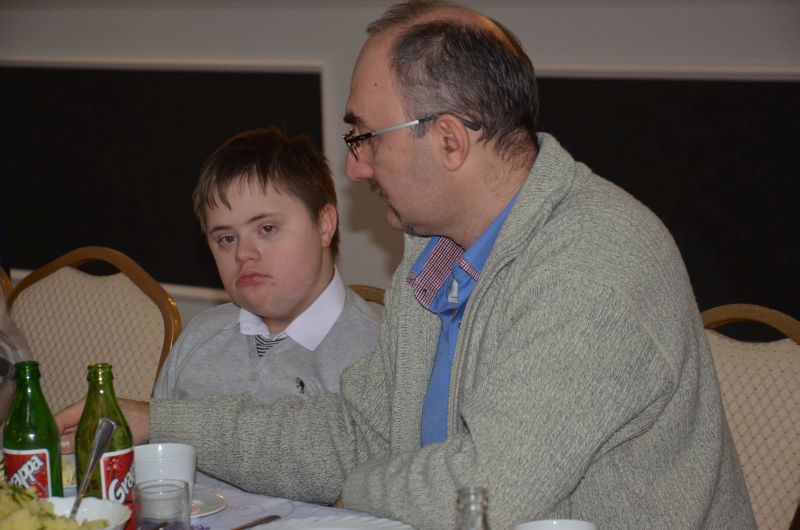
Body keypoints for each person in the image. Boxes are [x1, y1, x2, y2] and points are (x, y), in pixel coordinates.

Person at [57, 2, 755, 529]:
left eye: (364, 136)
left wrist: (355, 494)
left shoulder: (595, 263)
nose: (355, 167)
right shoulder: (438, 252)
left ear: (449, 140)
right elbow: (353, 432)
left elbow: (486, 489)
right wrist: (158, 420)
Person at [153, 128, 381, 403]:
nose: (242, 253)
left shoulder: (375, 355)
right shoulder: (200, 336)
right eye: (226, 239)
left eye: (267, 228)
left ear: (324, 225)